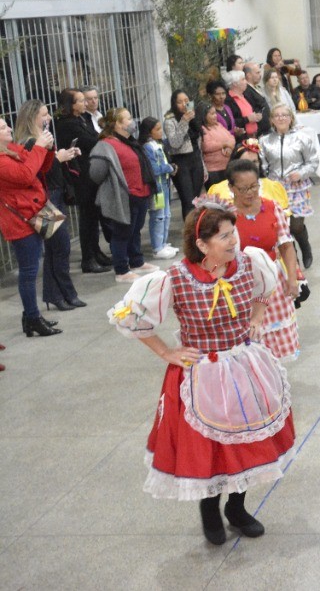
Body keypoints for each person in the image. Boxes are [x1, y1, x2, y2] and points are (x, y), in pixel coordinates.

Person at [108, 201, 295, 544]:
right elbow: (133, 319)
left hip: (244, 365)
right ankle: (210, 510)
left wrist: (256, 318)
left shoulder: (249, 263)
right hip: (202, 374)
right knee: (210, 448)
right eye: (224, 236)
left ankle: (236, 509)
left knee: (247, 443)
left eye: (233, 231)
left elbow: (266, 289)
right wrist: (166, 351)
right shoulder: (175, 279)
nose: (233, 240)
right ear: (203, 244)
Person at [2, 108, 74, 336]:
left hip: (36, 209)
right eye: (3, 128)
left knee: (54, 250)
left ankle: (33, 314)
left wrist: (49, 150)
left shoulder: (11, 149)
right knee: (29, 271)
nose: (9, 129)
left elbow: (38, 168)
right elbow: (24, 175)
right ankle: (33, 317)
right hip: (21, 218)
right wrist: (41, 147)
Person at [225, 159, 301, 361]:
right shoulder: (225, 216)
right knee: (247, 341)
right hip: (240, 285)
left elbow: (286, 246)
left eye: (254, 186)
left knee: (275, 344)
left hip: (273, 283)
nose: (250, 193)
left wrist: (292, 279)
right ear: (231, 187)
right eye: (243, 189)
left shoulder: (273, 207)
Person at [89, 107, 160, 283]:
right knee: (122, 233)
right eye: (128, 119)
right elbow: (96, 173)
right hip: (124, 196)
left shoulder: (129, 141)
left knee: (135, 231)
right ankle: (121, 270)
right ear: (118, 124)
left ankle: (136, 262)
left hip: (140, 193)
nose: (132, 121)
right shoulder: (106, 145)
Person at [260, 105, 320, 269]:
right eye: (277, 115)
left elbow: (313, 162)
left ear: (291, 118)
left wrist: (301, 173)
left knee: (295, 225)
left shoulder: (302, 138)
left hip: (297, 187)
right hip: (275, 189)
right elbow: (262, 165)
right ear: (272, 120)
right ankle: (292, 255)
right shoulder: (264, 140)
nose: (281, 118)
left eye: (285, 115)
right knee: (283, 226)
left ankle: (305, 245)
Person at [54, 88, 110, 273]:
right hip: (80, 176)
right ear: (70, 105)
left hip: (90, 173)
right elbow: (91, 141)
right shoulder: (67, 124)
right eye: (80, 100)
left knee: (94, 217)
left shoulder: (81, 119)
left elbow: (94, 136)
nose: (84, 103)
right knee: (87, 218)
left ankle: (96, 252)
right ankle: (88, 258)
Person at [139, 117, 179, 260]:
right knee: (158, 216)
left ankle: (163, 243)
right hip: (157, 186)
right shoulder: (148, 147)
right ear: (149, 132)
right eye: (157, 129)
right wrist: (169, 167)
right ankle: (157, 247)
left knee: (166, 214)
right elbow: (154, 168)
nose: (161, 132)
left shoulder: (158, 144)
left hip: (165, 183)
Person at [162, 90, 204, 221]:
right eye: (180, 102)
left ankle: (196, 227)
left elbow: (199, 141)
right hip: (181, 161)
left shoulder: (193, 116)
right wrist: (184, 122)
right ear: (174, 104)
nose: (184, 104)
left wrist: (203, 165)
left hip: (196, 159)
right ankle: (189, 231)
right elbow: (175, 143)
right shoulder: (170, 120)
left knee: (197, 199)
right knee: (188, 200)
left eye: (186, 101)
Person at [197, 103, 235, 189]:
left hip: (227, 167)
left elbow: (232, 138)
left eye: (215, 113)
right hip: (213, 171)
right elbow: (206, 145)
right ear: (204, 115)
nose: (215, 116)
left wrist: (229, 147)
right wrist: (224, 144)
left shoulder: (219, 125)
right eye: (212, 114)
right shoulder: (202, 129)